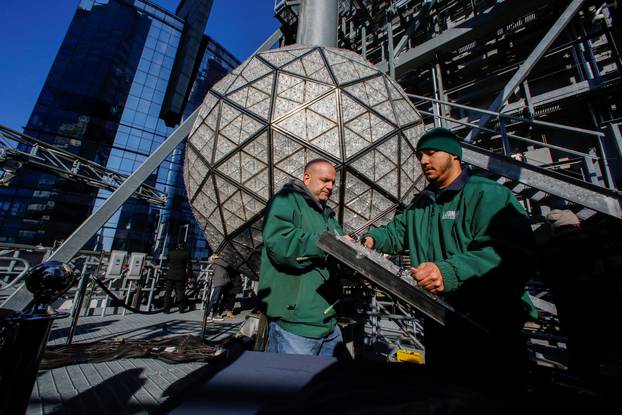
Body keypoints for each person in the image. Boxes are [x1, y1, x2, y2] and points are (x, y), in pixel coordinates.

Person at [361, 127, 536, 381]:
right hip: (440, 321)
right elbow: (397, 232)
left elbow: (514, 253)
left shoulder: (488, 194)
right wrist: (370, 240)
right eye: (421, 155)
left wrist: (447, 272)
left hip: (489, 326)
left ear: (454, 155)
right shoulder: (422, 204)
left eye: (431, 153)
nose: (423, 161)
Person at [258, 158, 344, 356]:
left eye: (332, 182)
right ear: (307, 177)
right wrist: (328, 244)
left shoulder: (327, 216)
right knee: (293, 384)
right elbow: (280, 243)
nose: (330, 186)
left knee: (326, 386)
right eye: (324, 180)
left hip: (328, 322)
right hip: (295, 323)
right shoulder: (285, 200)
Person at [540, 210, 622, 384]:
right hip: (610, 306)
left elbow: (547, 280)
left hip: (574, 313)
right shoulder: (599, 239)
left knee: (583, 362)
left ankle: (582, 391)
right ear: (577, 223)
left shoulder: (548, 250)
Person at [163, 242, 192, 313]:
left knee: (168, 293)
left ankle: (166, 309)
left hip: (170, 274)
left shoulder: (171, 252)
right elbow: (189, 266)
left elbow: (167, 261)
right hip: (180, 275)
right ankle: (181, 309)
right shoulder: (186, 253)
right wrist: (189, 276)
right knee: (180, 293)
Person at [205, 254, 231, 321]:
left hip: (221, 281)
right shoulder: (217, 260)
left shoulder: (217, 260)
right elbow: (227, 265)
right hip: (219, 282)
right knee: (215, 299)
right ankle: (209, 315)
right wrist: (221, 258)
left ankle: (213, 315)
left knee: (216, 298)